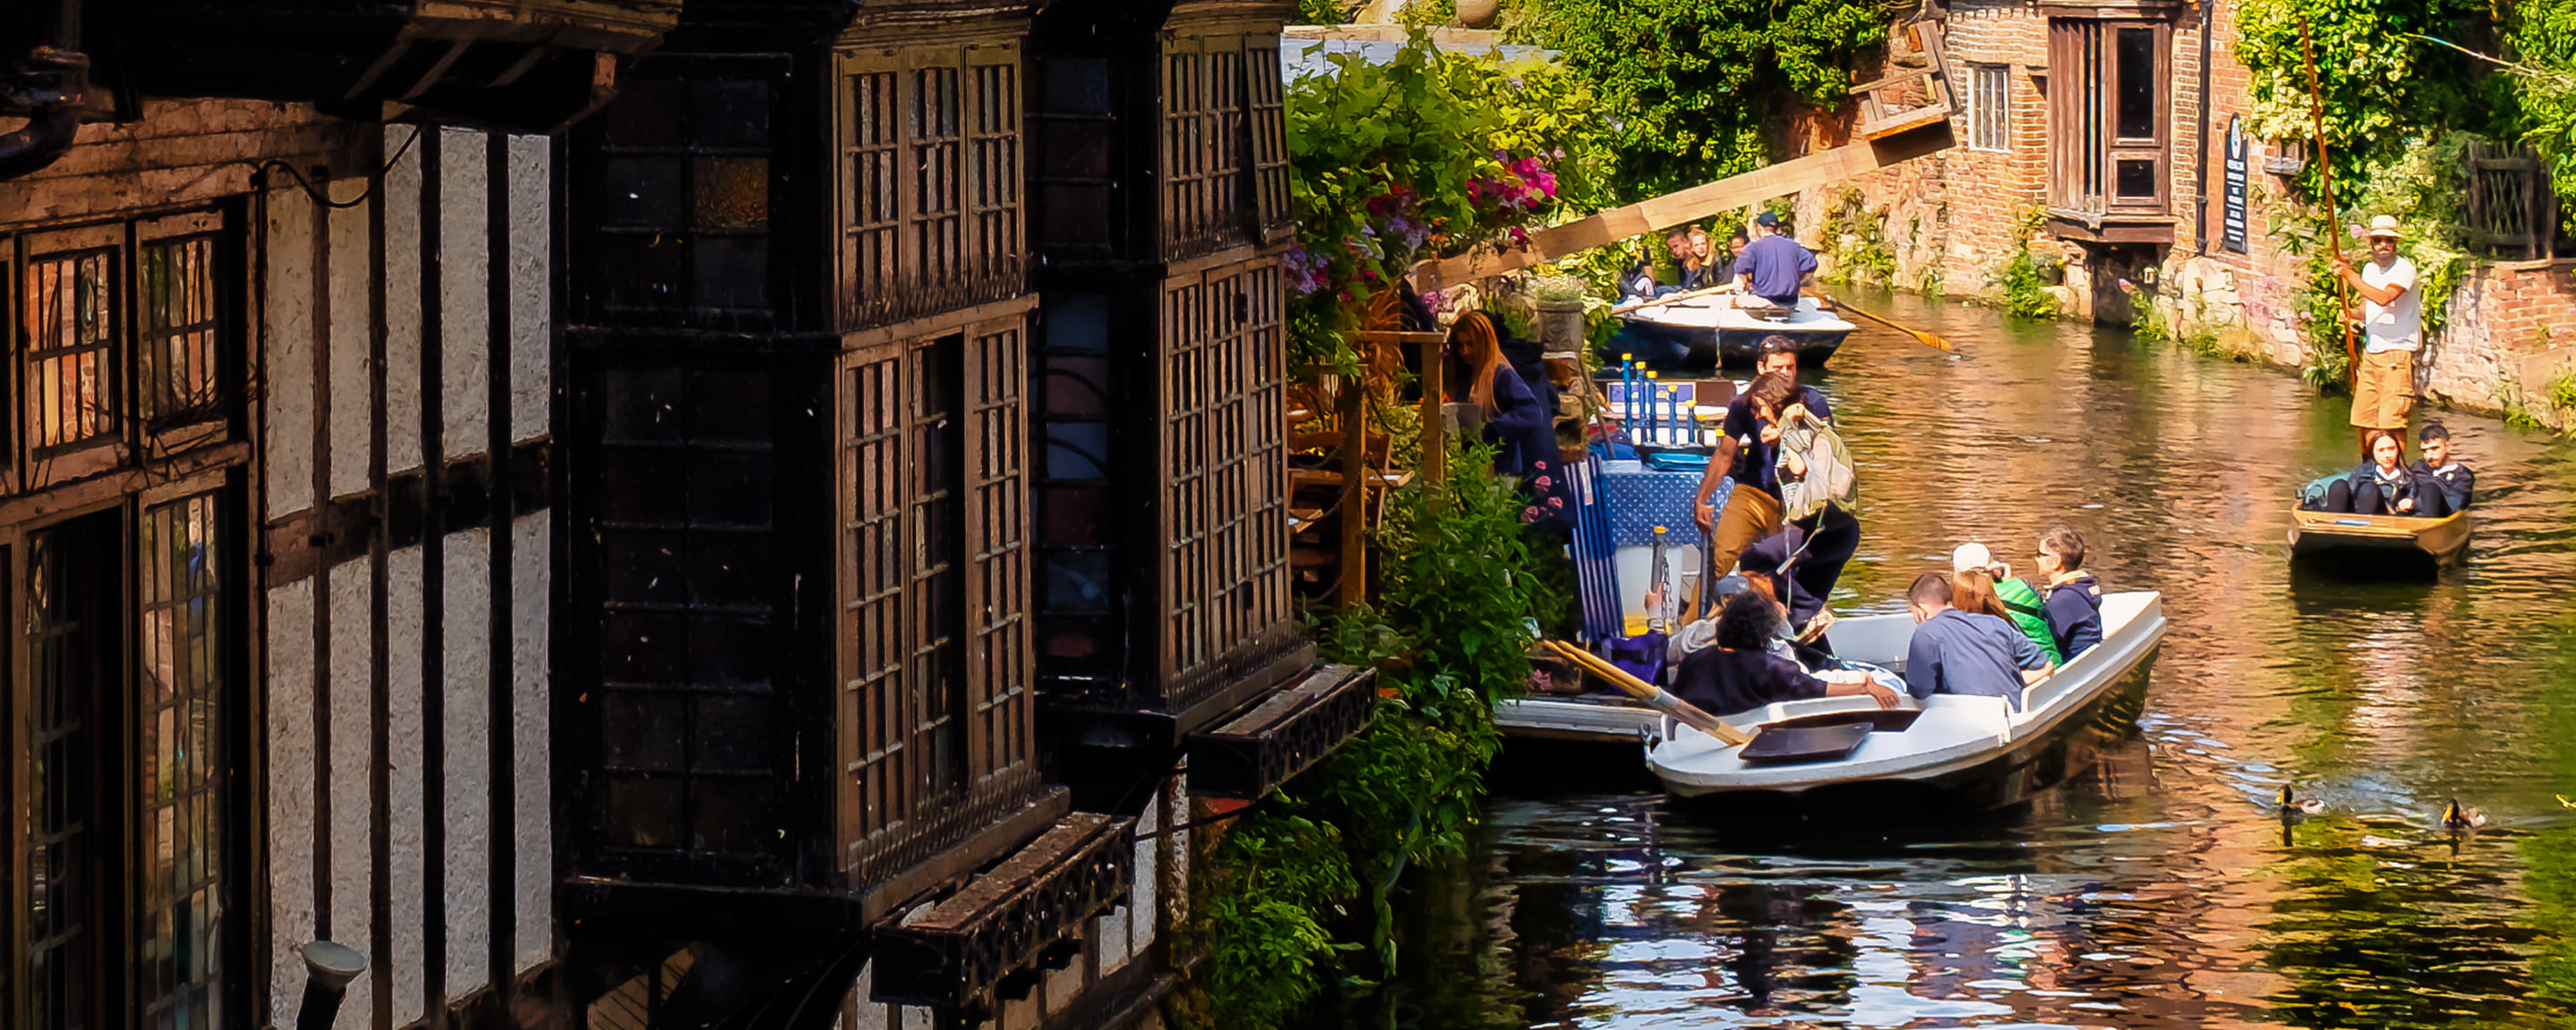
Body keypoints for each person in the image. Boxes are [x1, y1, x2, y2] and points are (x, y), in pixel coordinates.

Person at [1691, 336, 1832, 569]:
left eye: (1791, 367)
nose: (1785, 373)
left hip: (1798, 499)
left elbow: (1826, 460)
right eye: (1778, 368)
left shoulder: (1814, 403)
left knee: (1789, 569)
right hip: (1754, 491)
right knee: (1719, 559)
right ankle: (1700, 605)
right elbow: (1725, 454)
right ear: (1761, 368)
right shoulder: (1744, 404)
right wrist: (1701, 499)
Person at [1669, 592, 1900, 718]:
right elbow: (1817, 689)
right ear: (1764, 632)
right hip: (1745, 733)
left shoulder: (1695, 660)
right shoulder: (1770, 667)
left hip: (1696, 735)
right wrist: (1865, 688)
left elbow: (1677, 702)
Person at [2334, 215, 2421, 455]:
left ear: (2395, 244)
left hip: (2396, 353)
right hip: (2372, 352)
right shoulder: (2369, 269)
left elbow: (2384, 298)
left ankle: (2399, 472)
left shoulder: (2405, 269)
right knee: (2366, 418)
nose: (2383, 244)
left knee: (2392, 420)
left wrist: (2349, 275)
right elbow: (2368, 309)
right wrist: (2351, 314)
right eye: (2378, 240)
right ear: (2371, 242)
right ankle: (2372, 471)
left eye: (2389, 240)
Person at [1902, 573, 2053, 707]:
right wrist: (2011, 680)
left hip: (1971, 717)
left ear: (1921, 609)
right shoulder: (1995, 622)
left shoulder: (1926, 633)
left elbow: (1919, 690)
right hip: (2013, 709)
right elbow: (2044, 664)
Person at [1952, 542, 2061, 665]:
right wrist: (2008, 579)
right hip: (2053, 662)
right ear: (1993, 565)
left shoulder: (1976, 602)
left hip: (2029, 674)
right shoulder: (2024, 586)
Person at [2034, 524, 2103, 660]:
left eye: (2039, 554)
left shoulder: (2062, 600)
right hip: (2089, 659)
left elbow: (2051, 646)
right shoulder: (2083, 586)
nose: (2036, 559)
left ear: (2055, 561)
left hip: (2073, 666)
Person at [2320, 427, 2423, 517]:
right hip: (2358, 511)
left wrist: (2410, 503)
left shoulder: (2408, 476)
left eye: (2391, 449)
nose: (2387, 455)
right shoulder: (2362, 471)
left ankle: (2364, 533)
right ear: (2373, 454)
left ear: (2398, 450)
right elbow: (2351, 493)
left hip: (2388, 516)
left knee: (2369, 489)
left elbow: (2413, 500)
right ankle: (2332, 527)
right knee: (2339, 485)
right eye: (2381, 450)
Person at [1729, 211, 1818, 313]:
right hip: (1790, 303)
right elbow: (1811, 264)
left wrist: (1745, 285)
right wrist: (1798, 279)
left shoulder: (1753, 247)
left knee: (1735, 301)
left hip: (1763, 301)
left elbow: (1740, 270)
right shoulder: (1794, 246)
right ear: (1776, 229)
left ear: (1759, 228)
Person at [2409, 421, 2474, 516]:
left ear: (2448, 446)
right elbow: (2407, 489)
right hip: (2413, 516)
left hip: (2440, 515)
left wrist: (2415, 502)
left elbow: (2455, 505)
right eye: (2424, 451)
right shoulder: (2418, 468)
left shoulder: (2462, 475)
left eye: (2434, 449)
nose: (2429, 456)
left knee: (2429, 488)